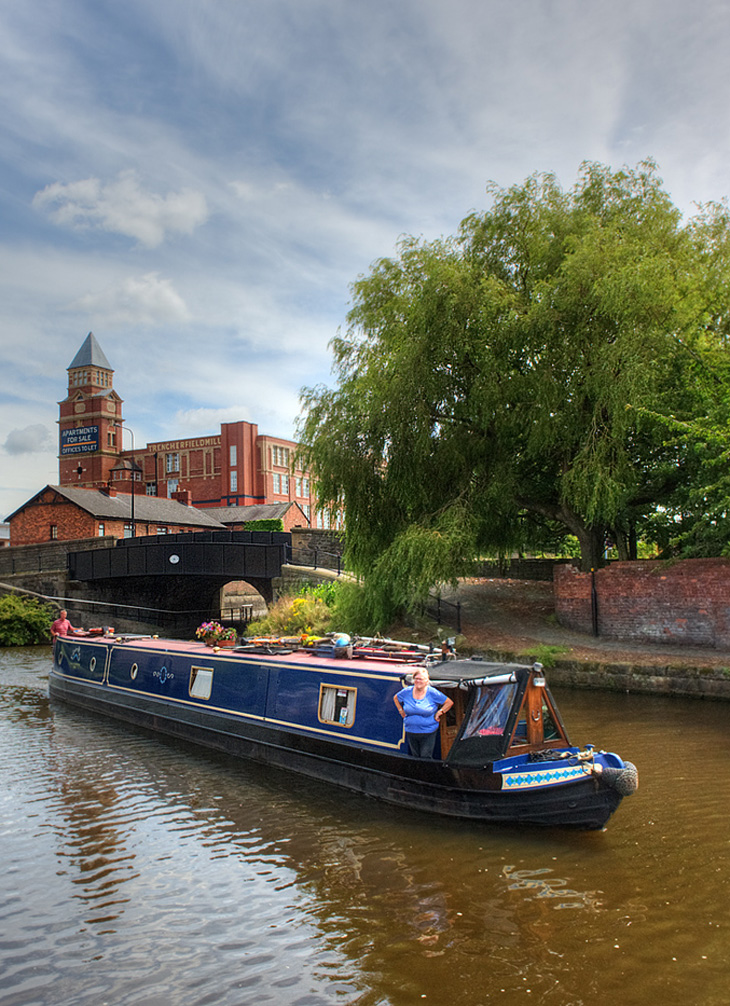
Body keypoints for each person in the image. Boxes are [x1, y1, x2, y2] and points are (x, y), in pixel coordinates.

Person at [394, 667, 454, 758]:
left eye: (421, 679)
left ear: (426, 681)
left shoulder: (432, 692)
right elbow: (396, 698)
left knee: (425, 756)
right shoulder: (407, 691)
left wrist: (439, 712)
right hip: (411, 730)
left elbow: (449, 702)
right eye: (416, 679)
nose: (418, 681)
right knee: (415, 756)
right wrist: (400, 710)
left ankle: (426, 772)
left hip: (428, 732)